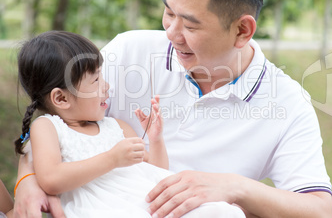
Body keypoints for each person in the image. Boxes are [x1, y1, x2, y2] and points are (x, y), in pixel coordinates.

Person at [14, 0, 332, 217]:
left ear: (242, 31)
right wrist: (26, 177)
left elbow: (319, 210)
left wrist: (233, 187)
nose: (170, 32)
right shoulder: (130, 52)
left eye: (191, 25)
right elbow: (55, 117)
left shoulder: (289, 104)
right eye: (169, 12)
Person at [13, 31, 244, 218]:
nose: (106, 86)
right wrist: (112, 159)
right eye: (95, 81)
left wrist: (155, 139)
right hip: (101, 210)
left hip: (146, 202)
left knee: (223, 212)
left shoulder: (117, 127)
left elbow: (156, 172)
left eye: (102, 76)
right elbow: (51, 179)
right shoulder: (48, 127)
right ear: (61, 98)